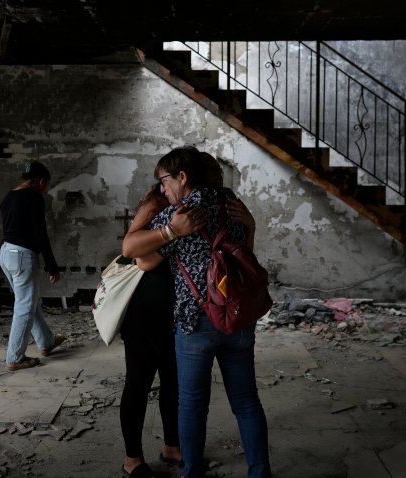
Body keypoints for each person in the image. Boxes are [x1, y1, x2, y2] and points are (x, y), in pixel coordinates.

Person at [127, 146, 271, 478]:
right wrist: (251, 226)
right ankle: (260, 473)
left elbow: (134, 252)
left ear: (183, 176)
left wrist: (164, 226)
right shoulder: (233, 205)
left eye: (164, 181)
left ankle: (192, 473)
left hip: (196, 322)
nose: (163, 189)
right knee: (247, 403)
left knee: (192, 405)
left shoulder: (179, 214)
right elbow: (244, 253)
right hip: (238, 318)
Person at [117, 181, 205, 478]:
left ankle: (172, 447)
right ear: (183, 176)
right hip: (145, 310)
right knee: (138, 383)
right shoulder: (157, 203)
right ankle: (133, 460)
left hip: (176, 310)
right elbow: (138, 256)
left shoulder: (194, 206)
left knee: (173, 383)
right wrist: (174, 236)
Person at [0, 160, 65, 371]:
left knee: (29, 302)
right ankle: (15, 358)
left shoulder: (9, 197)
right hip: (22, 255)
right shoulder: (34, 198)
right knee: (25, 307)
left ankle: (46, 342)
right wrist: (52, 266)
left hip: (6, 252)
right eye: (46, 185)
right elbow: (40, 234)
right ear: (41, 181)